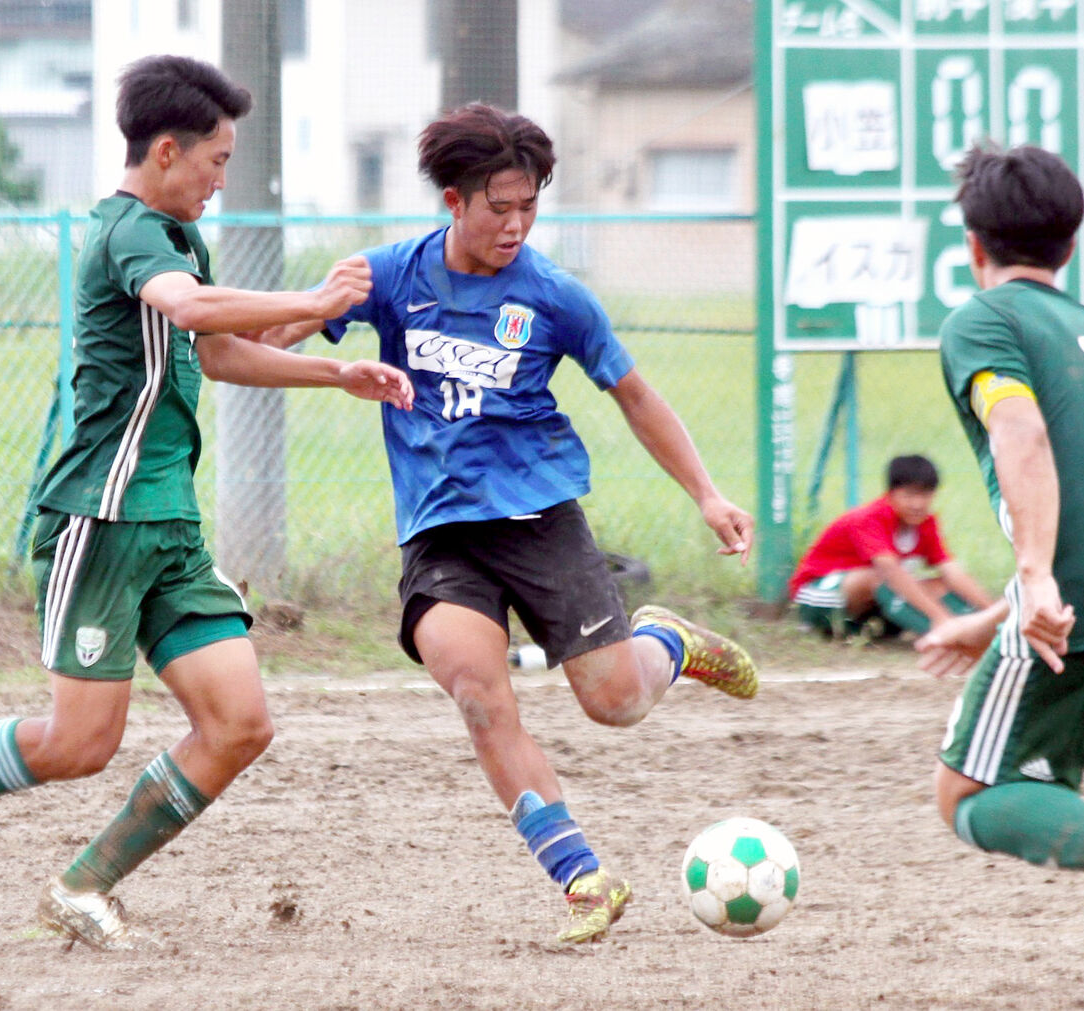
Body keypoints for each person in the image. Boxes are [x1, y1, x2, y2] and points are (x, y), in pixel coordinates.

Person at [0, 54, 413, 950]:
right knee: (77, 744)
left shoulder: (178, 236)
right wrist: (318, 298)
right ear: (167, 152)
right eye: (216, 161)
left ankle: (83, 884)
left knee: (239, 723)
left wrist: (335, 370)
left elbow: (212, 351)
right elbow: (190, 310)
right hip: (101, 521)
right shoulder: (131, 233)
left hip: (169, 525)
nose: (222, 178)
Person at [253, 103, 758, 943]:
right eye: (500, 207)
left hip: (540, 519)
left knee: (616, 703)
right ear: (453, 201)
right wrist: (317, 305)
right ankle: (582, 877)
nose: (517, 224)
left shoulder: (556, 297)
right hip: (442, 532)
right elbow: (258, 347)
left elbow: (634, 395)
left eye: (530, 206)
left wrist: (706, 493)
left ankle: (665, 641)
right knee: (476, 691)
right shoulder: (390, 275)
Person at [921, 141, 1084, 871]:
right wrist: (995, 615)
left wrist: (1038, 579)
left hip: (1076, 604)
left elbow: (1020, 430)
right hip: (1075, 593)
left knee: (969, 789)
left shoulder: (985, 321)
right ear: (1073, 241)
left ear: (972, 243)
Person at [788, 454, 993, 640]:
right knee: (881, 577)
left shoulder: (926, 523)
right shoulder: (869, 518)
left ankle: (987, 631)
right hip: (817, 597)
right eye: (910, 495)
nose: (918, 504)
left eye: (925, 495)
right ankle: (946, 632)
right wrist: (942, 618)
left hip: (868, 604)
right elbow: (891, 572)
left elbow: (952, 571)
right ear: (891, 493)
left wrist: (992, 613)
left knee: (938, 585)